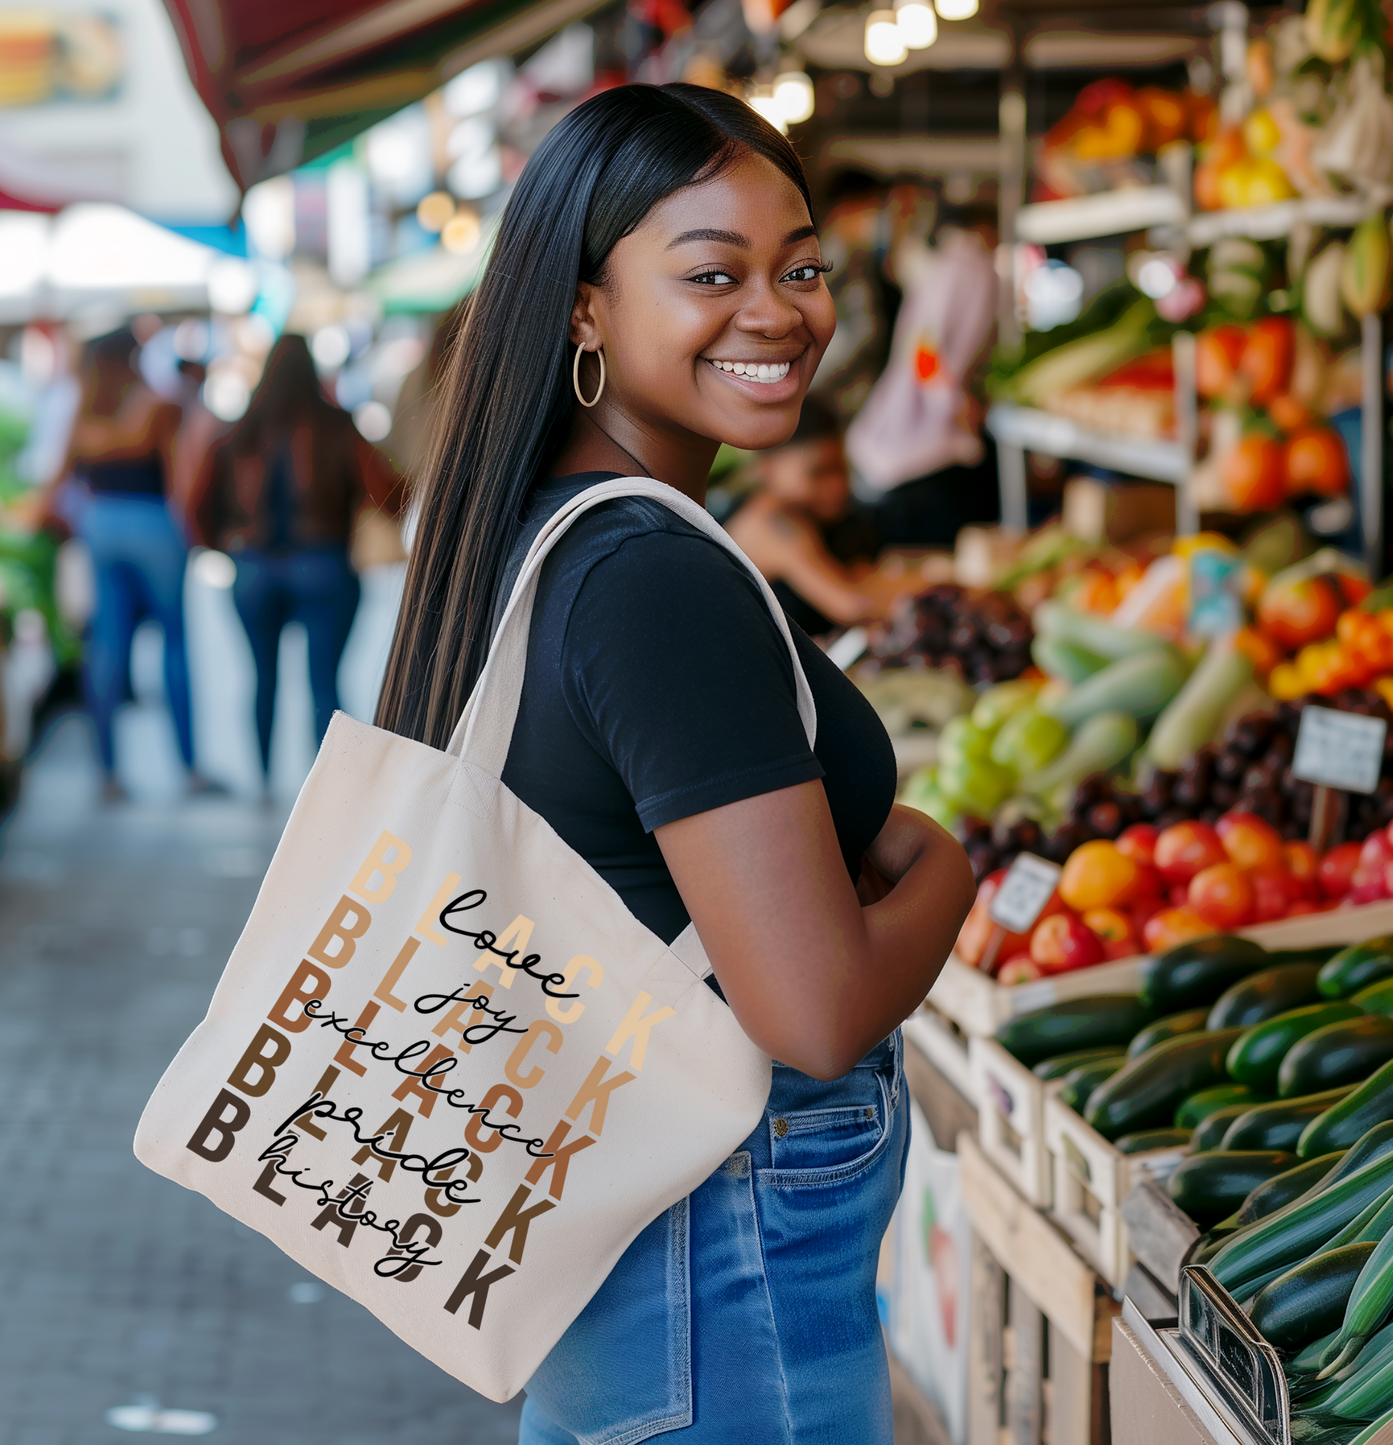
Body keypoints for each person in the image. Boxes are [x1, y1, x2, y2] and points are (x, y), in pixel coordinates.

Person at [376, 84, 974, 1444]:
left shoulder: (541, 533)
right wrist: (945, 865)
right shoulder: (651, 577)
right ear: (586, 308)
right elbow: (814, 1013)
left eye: (801, 266)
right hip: (721, 1272)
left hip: (654, 1264)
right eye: (712, 273)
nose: (779, 312)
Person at [190, 334, 406, 783]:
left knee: (261, 677)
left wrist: (225, 547)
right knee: (324, 683)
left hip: (253, 566)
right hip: (323, 565)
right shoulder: (337, 427)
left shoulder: (239, 433)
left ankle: (264, 780)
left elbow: (195, 503)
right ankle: (323, 788)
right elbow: (390, 495)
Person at [62, 327, 202, 798]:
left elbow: (59, 480)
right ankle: (189, 768)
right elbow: (179, 473)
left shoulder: (82, 413)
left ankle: (107, 774)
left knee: (107, 646)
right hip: (152, 522)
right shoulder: (158, 404)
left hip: (99, 524)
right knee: (175, 642)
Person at [724, 396, 916, 635]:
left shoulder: (819, 519)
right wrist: (942, 589)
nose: (837, 486)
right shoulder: (769, 522)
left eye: (841, 469)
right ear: (769, 469)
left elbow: (863, 577)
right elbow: (851, 605)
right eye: (819, 472)